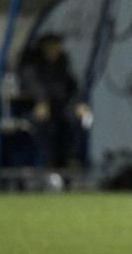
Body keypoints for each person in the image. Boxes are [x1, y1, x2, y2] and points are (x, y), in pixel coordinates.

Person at [20, 33, 90, 171]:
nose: (56, 48)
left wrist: (80, 103)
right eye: (53, 45)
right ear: (44, 47)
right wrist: (42, 101)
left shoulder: (63, 63)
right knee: (43, 121)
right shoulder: (32, 63)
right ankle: (48, 162)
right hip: (36, 105)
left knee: (78, 119)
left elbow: (72, 87)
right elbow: (32, 84)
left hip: (61, 106)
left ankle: (73, 160)